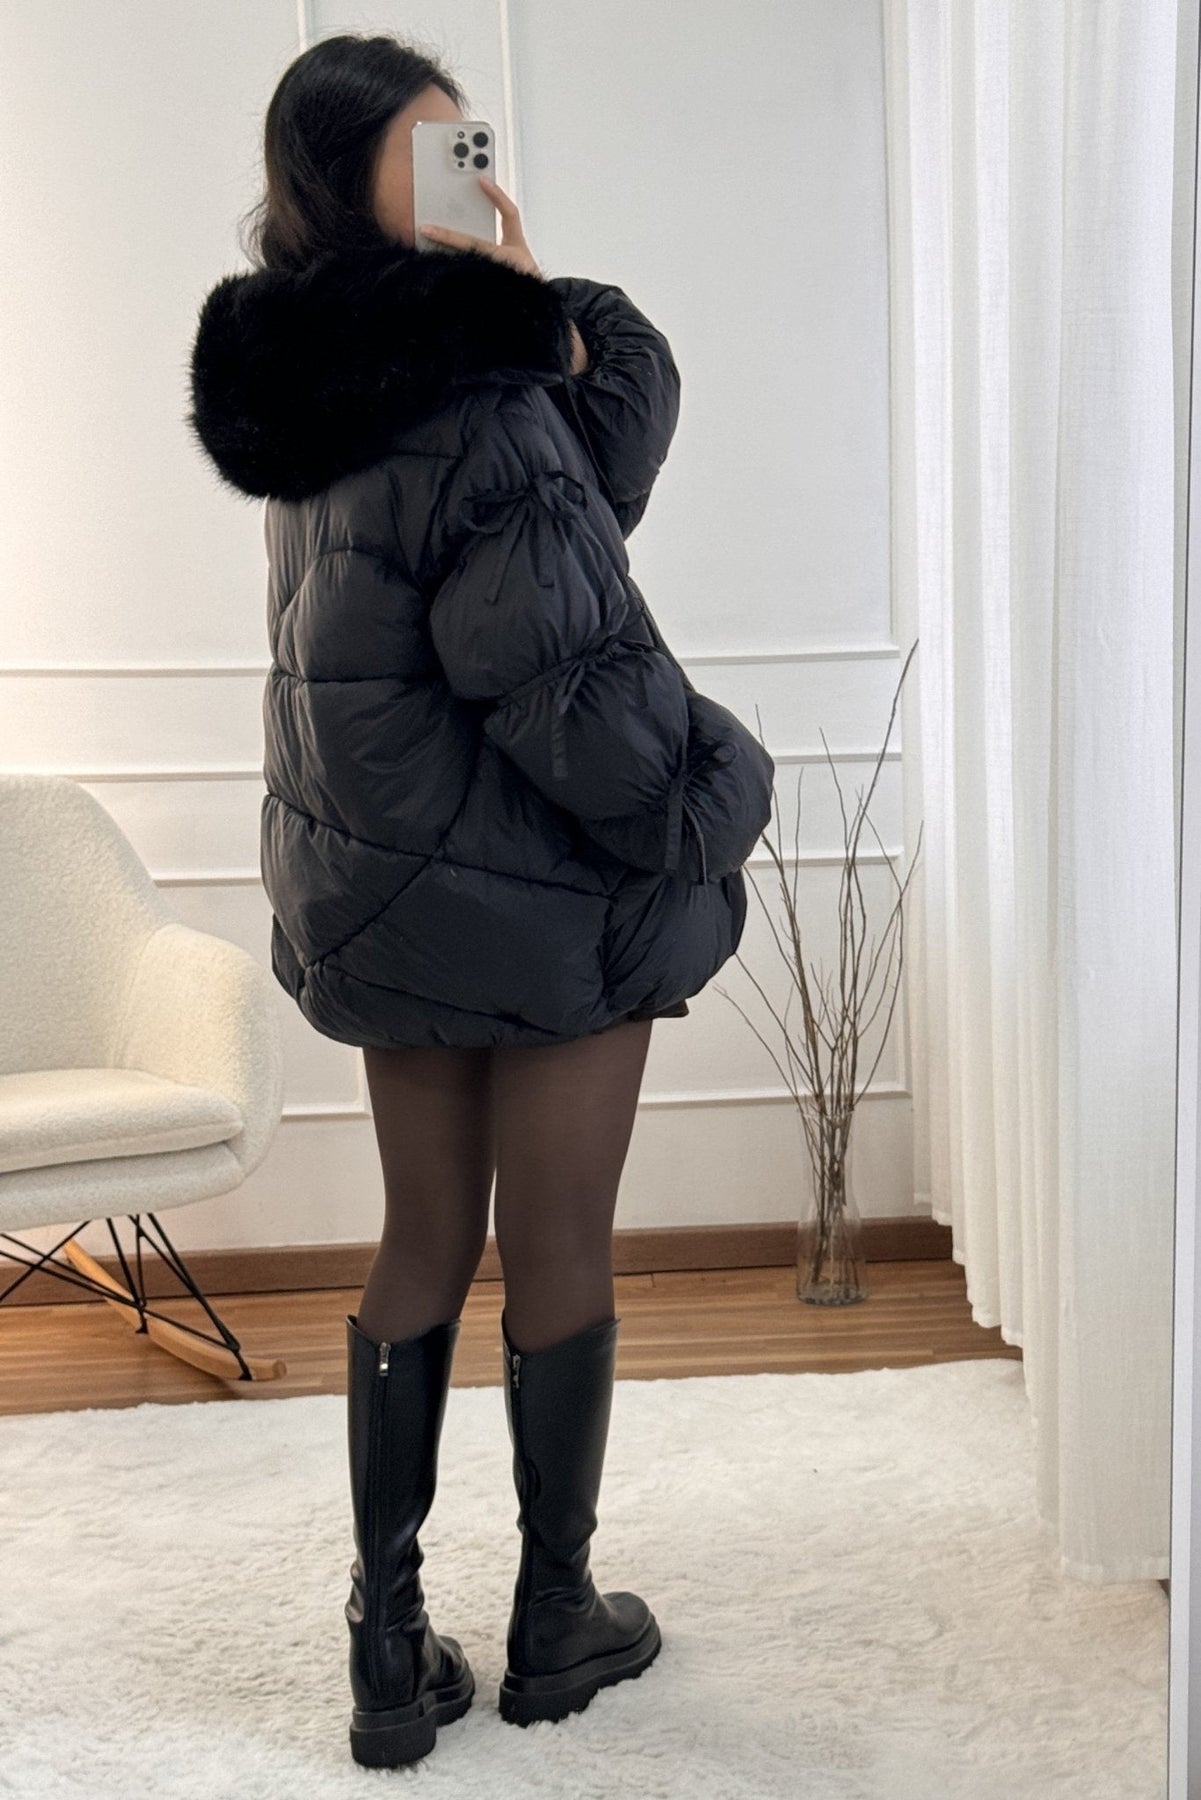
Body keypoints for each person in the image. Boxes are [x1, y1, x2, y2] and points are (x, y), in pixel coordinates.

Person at [186, 31, 774, 1770]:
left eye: (476, 144)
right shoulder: (473, 391)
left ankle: (386, 1643)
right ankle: (552, 1618)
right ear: (348, 172)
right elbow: (567, 681)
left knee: (421, 1235)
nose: (473, 173)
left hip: (385, 889)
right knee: (560, 1245)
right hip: (533, 894)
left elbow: (581, 498)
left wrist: (527, 308)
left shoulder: (311, 383)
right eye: (434, 150)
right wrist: (712, 790)